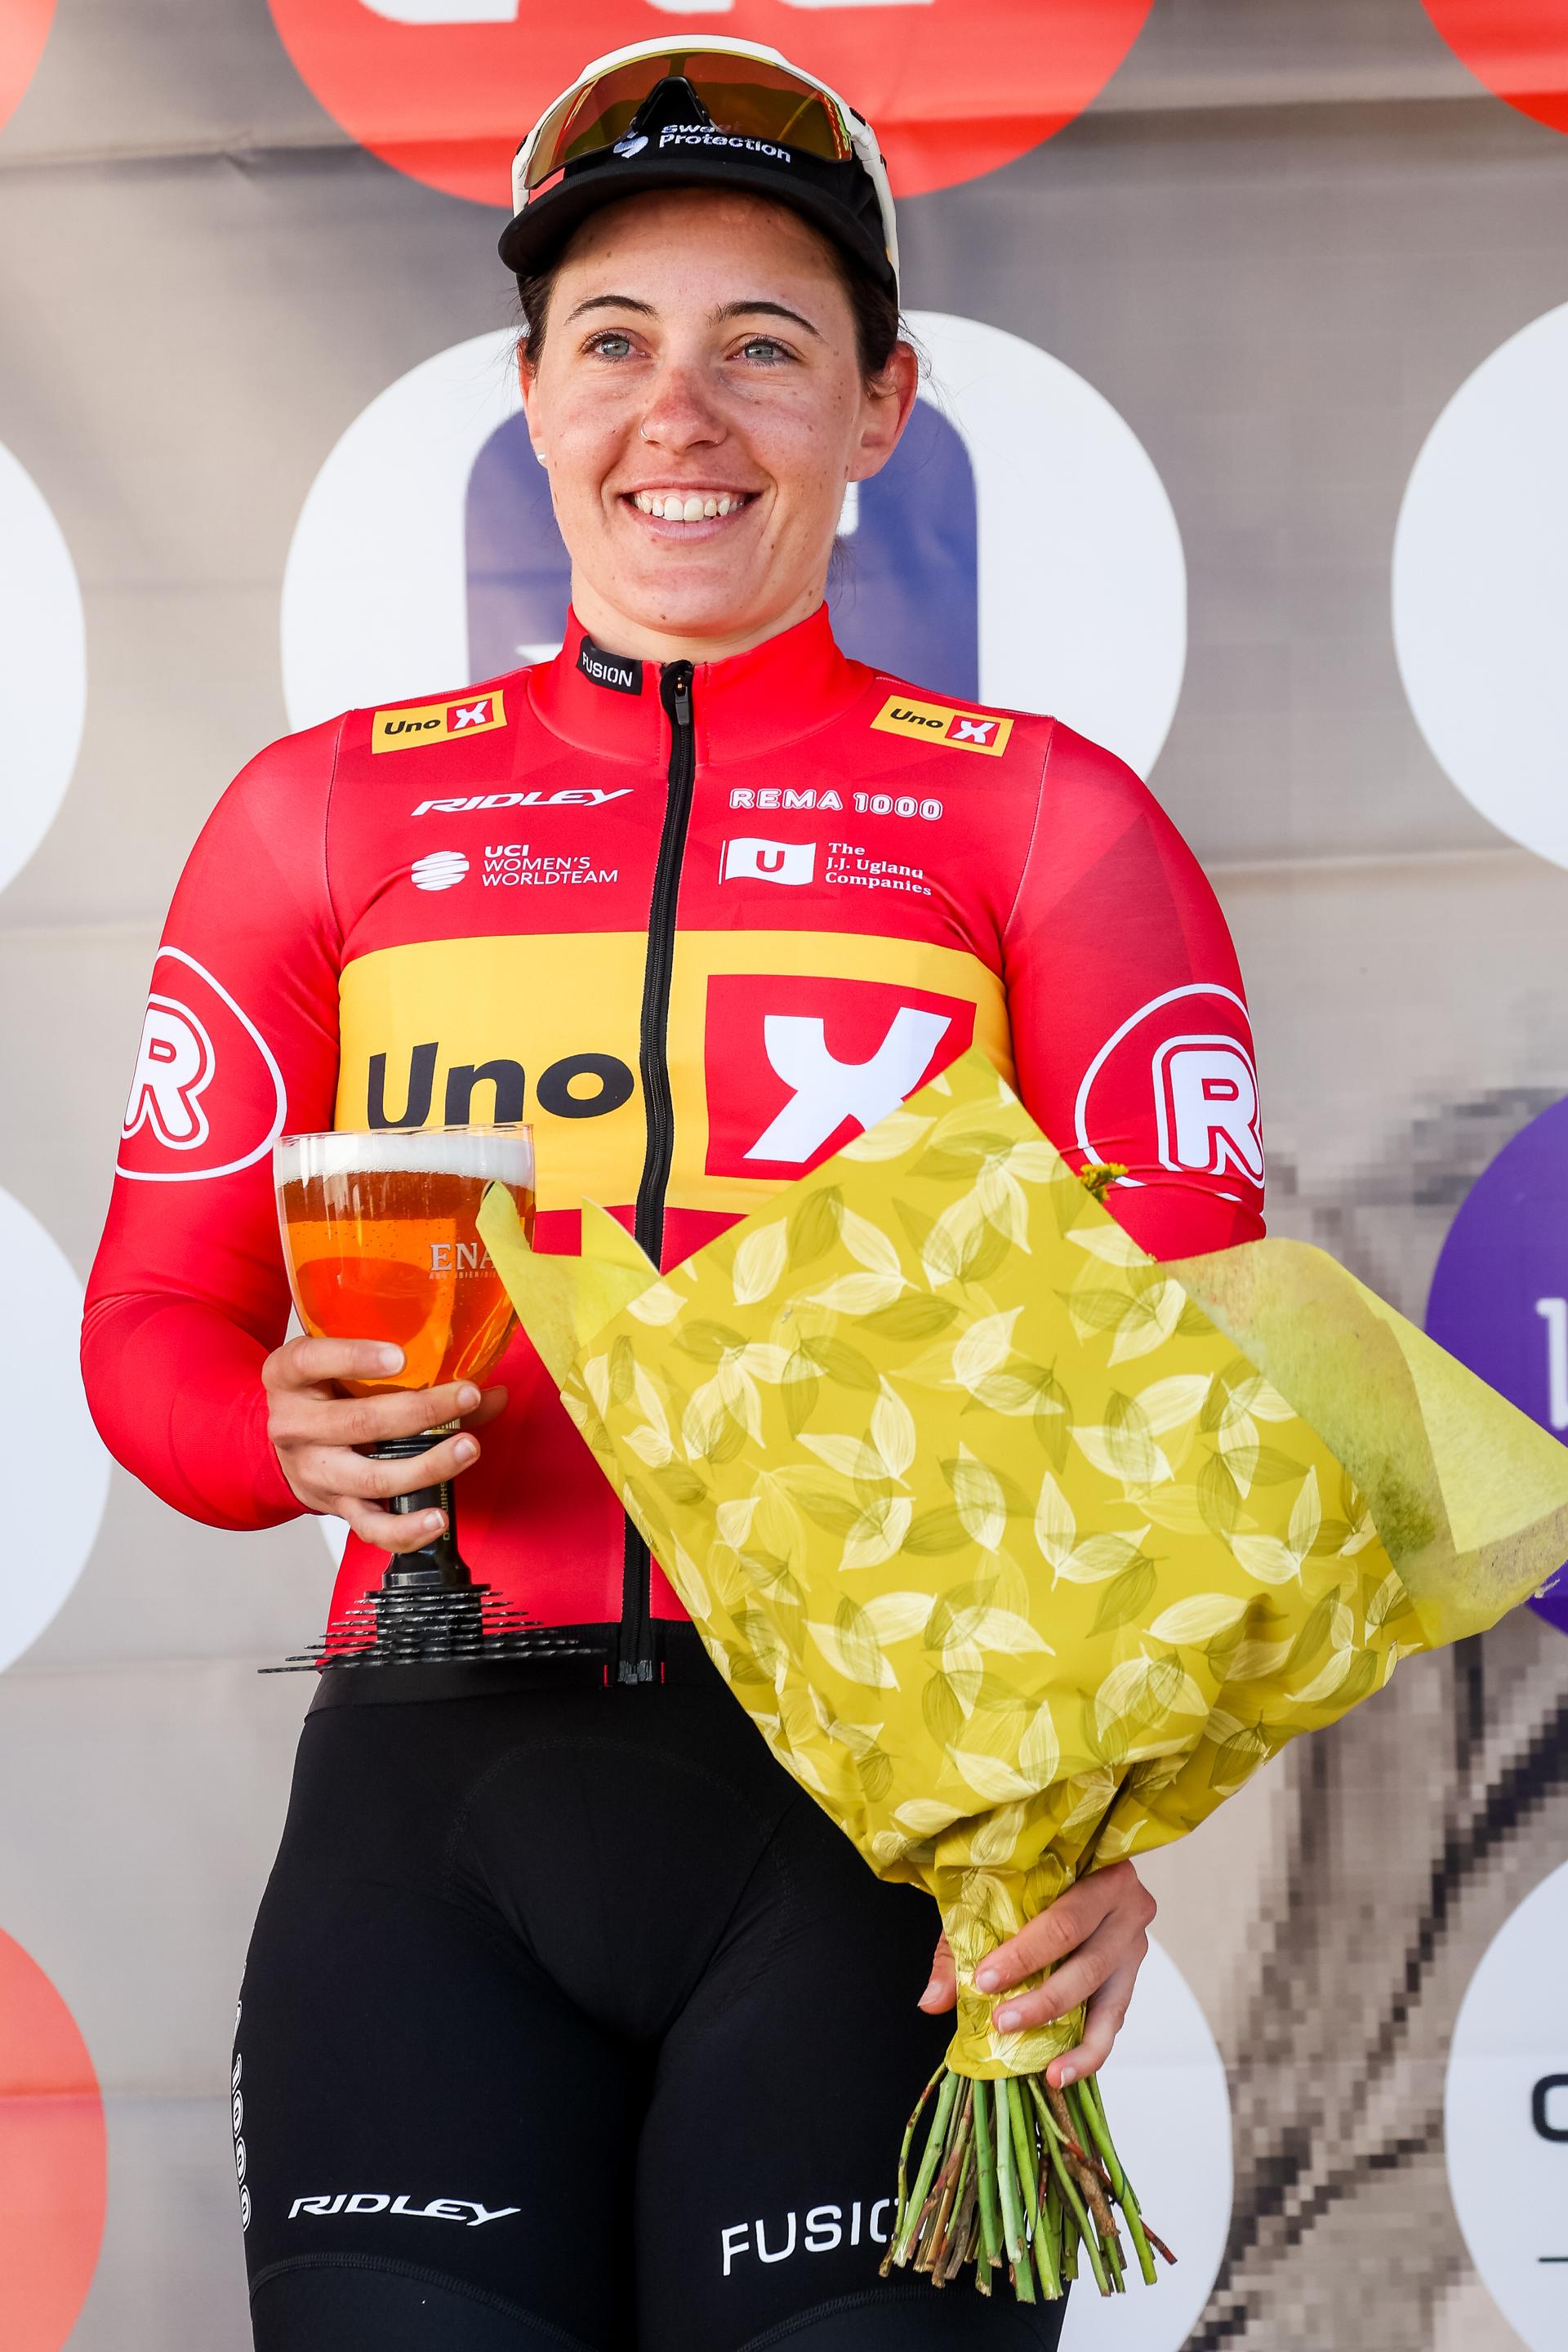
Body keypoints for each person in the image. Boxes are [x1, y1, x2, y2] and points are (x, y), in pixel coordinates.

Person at [83, 38, 1263, 2352]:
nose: (680, 415)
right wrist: (274, 1435)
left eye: (764, 350)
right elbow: (153, 1331)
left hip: (887, 1832)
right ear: (530, 396)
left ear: (881, 409)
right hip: (436, 1795)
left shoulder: (1044, 824)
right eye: (612, 344)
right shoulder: (321, 823)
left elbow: (1198, 1408)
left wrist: (1110, 1822)